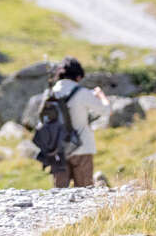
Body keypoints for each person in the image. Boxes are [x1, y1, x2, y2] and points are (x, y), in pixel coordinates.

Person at [43, 57, 111, 188]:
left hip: (58, 149)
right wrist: (100, 95)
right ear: (78, 76)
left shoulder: (50, 93)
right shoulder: (82, 93)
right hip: (82, 147)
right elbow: (107, 110)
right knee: (85, 191)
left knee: (59, 194)